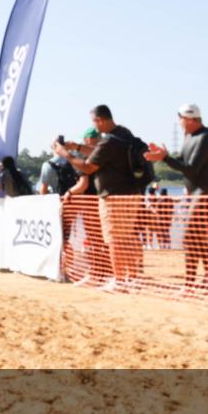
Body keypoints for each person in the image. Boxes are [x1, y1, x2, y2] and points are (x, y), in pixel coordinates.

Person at [53, 105, 145, 291]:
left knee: (114, 239)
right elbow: (100, 153)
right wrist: (77, 147)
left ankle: (118, 280)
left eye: (94, 122)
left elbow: (88, 167)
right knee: (125, 237)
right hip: (132, 192)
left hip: (113, 196)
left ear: (101, 120)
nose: (95, 127)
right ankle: (130, 278)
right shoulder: (123, 134)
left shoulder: (108, 142)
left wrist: (66, 154)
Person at [145, 104, 208, 291]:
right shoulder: (190, 137)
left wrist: (165, 158)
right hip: (195, 192)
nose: (179, 123)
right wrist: (163, 156)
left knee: (190, 237)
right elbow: (183, 159)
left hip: (205, 193)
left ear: (189, 119)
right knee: (196, 239)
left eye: (180, 119)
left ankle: (190, 283)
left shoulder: (206, 138)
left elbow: (191, 167)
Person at [60, 127, 110, 286]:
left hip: (91, 203)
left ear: (89, 139)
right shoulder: (105, 155)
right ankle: (107, 274)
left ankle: (97, 274)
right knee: (104, 241)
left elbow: (82, 184)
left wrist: (68, 192)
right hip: (104, 200)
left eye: (86, 139)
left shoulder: (88, 159)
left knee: (95, 242)